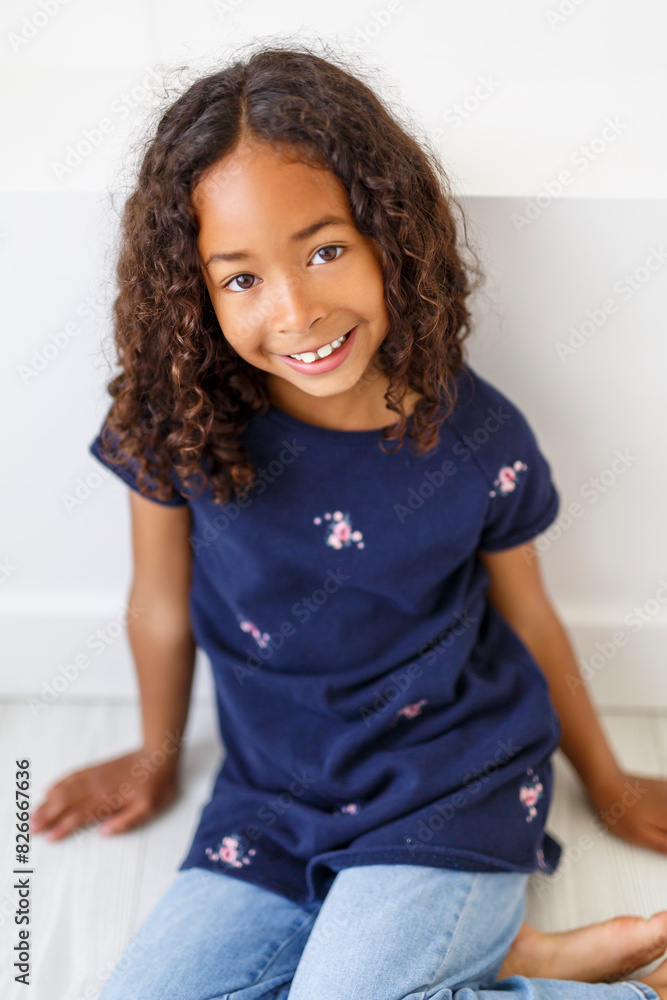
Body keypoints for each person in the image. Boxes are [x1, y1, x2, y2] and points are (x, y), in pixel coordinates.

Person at [29, 42, 667, 1000]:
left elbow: (531, 620)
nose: (295, 311)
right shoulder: (177, 424)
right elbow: (157, 604)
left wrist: (607, 783)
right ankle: (520, 965)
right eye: (240, 278)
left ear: (388, 237)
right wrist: (155, 761)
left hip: (450, 789)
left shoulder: (478, 436)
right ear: (196, 293)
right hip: (272, 801)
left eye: (325, 250)